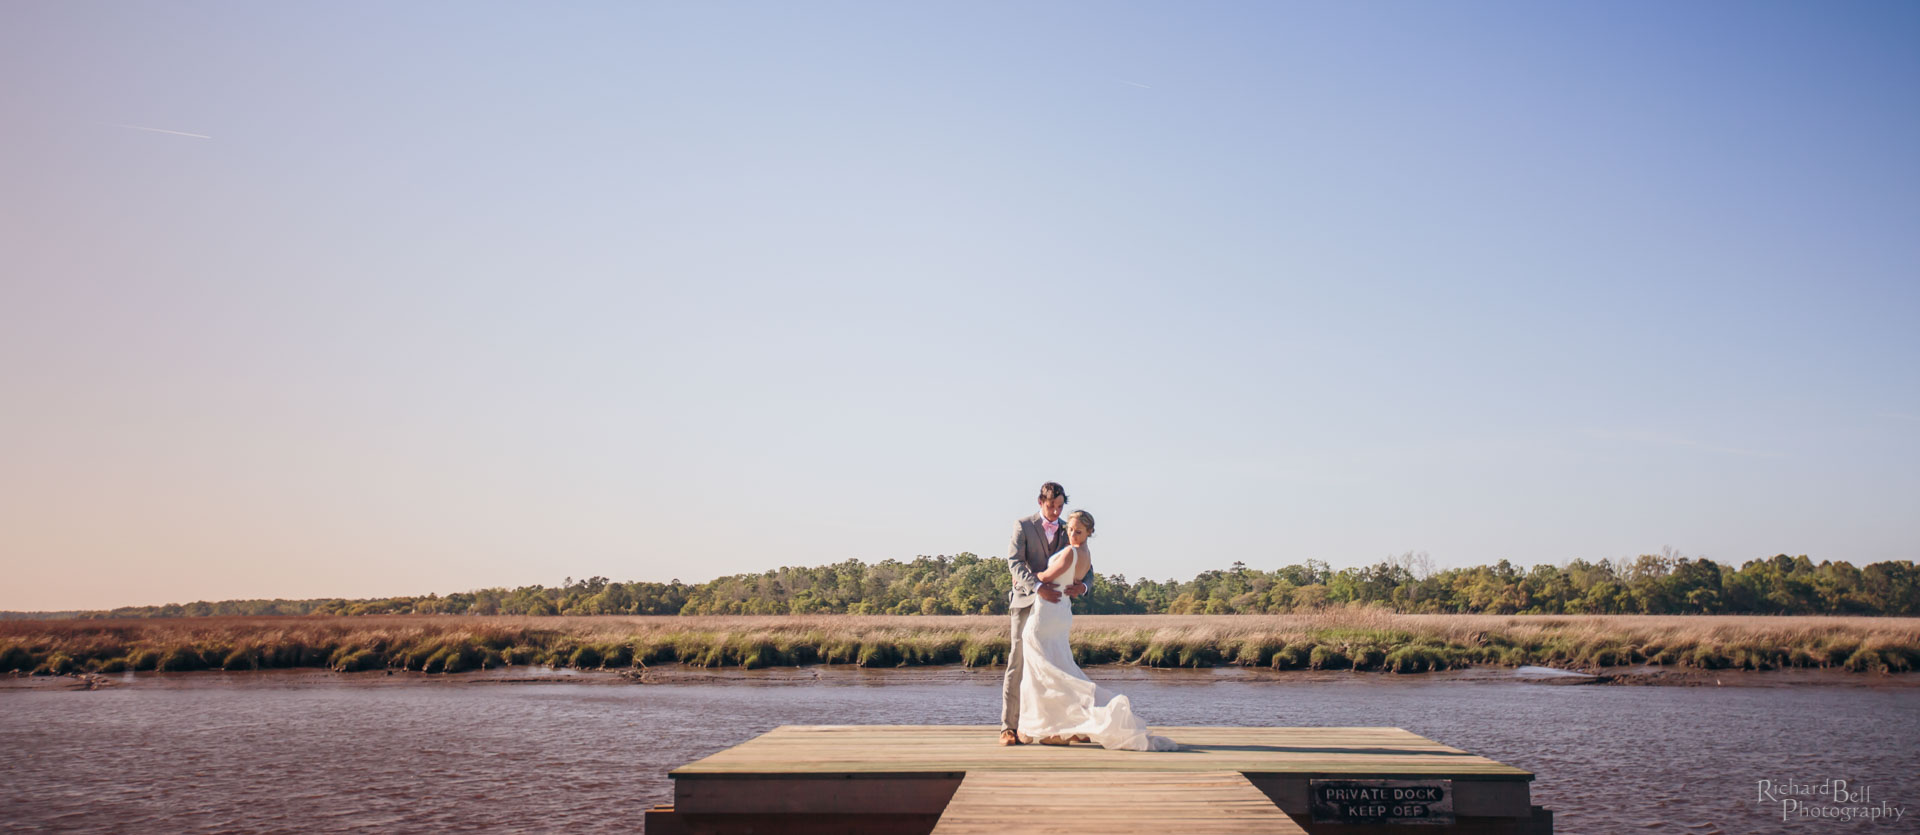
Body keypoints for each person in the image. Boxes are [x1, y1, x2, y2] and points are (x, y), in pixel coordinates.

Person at [1016, 510, 1179, 751]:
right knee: (1058, 668)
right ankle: (1067, 726)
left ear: (1089, 532)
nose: (1072, 534)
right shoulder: (1085, 553)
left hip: (1047, 614)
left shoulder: (1070, 552)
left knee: (1043, 669)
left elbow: (1045, 576)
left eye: (1078, 531)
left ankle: (1058, 727)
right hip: (1061, 612)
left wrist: (1026, 578)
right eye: (1070, 529)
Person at [999, 482, 1086, 746]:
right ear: (1040, 502)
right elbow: (1014, 562)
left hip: (1055, 608)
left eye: (1060, 507)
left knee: (1054, 664)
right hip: (1026, 602)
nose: (1055, 512)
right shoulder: (1023, 526)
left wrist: (1084, 586)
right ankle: (1009, 727)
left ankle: (1059, 726)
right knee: (1018, 661)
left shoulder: (1068, 529)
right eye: (1051, 506)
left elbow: (1085, 563)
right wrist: (1037, 586)